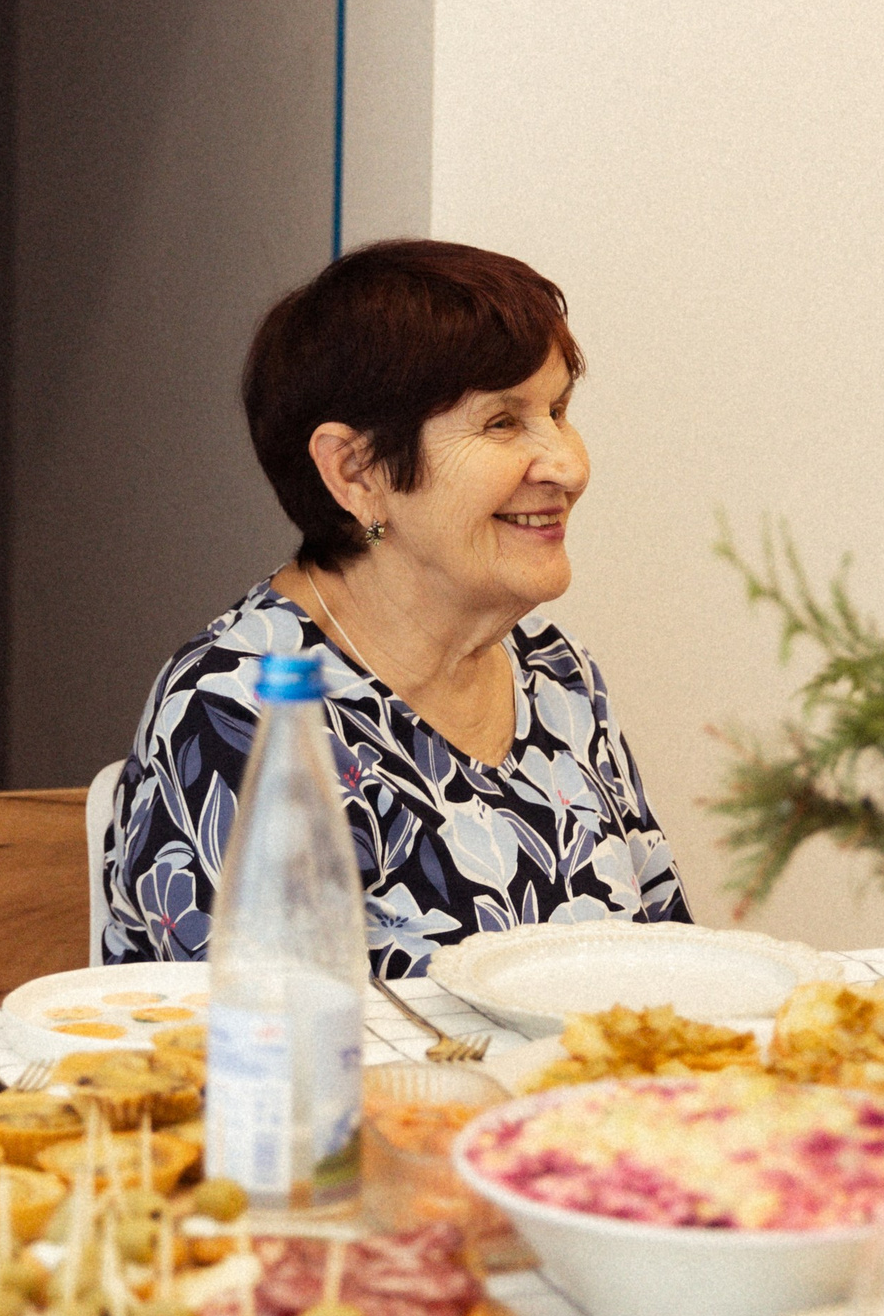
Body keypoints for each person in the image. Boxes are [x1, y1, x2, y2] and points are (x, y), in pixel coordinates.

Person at [104, 238, 691, 973]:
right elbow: (271, 1034)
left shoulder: (555, 673)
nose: (570, 466)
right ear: (356, 472)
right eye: (502, 422)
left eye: (558, 410)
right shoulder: (243, 712)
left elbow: (673, 966)